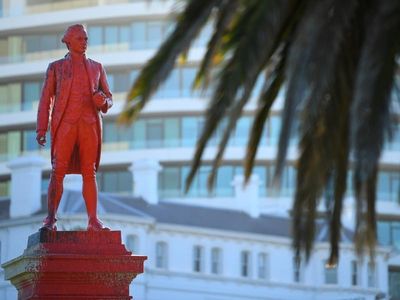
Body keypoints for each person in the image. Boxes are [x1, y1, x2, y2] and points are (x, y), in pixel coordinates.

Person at [36, 24, 113, 231]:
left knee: (90, 172)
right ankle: (50, 219)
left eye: (86, 38)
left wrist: (103, 102)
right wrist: (42, 128)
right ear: (69, 42)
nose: (85, 42)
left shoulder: (97, 67)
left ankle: (93, 221)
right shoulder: (56, 68)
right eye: (80, 38)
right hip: (66, 125)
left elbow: (109, 99)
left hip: (89, 126)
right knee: (57, 171)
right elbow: (46, 100)